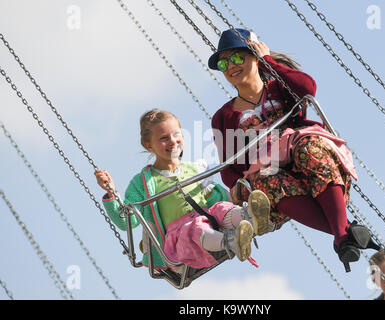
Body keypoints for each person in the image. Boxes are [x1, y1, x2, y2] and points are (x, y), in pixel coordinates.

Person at [209, 28, 379, 272]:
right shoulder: (223, 117)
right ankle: (343, 232)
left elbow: (307, 87)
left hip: (303, 158)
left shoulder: (280, 89)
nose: (230, 66)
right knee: (266, 177)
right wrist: (240, 187)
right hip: (268, 175)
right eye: (224, 63)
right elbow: (229, 169)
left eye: (237, 58)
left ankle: (342, 236)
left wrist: (268, 60)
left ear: (254, 56)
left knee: (312, 148)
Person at [94, 109, 272, 271]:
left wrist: (217, 194)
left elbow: (214, 200)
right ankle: (231, 242)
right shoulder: (142, 183)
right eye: (164, 138)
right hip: (183, 240)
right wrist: (111, 193)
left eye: (176, 134)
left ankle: (251, 217)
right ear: (149, 146)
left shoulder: (194, 169)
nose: (172, 141)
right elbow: (127, 222)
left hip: (210, 221)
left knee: (221, 209)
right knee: (195, 227)